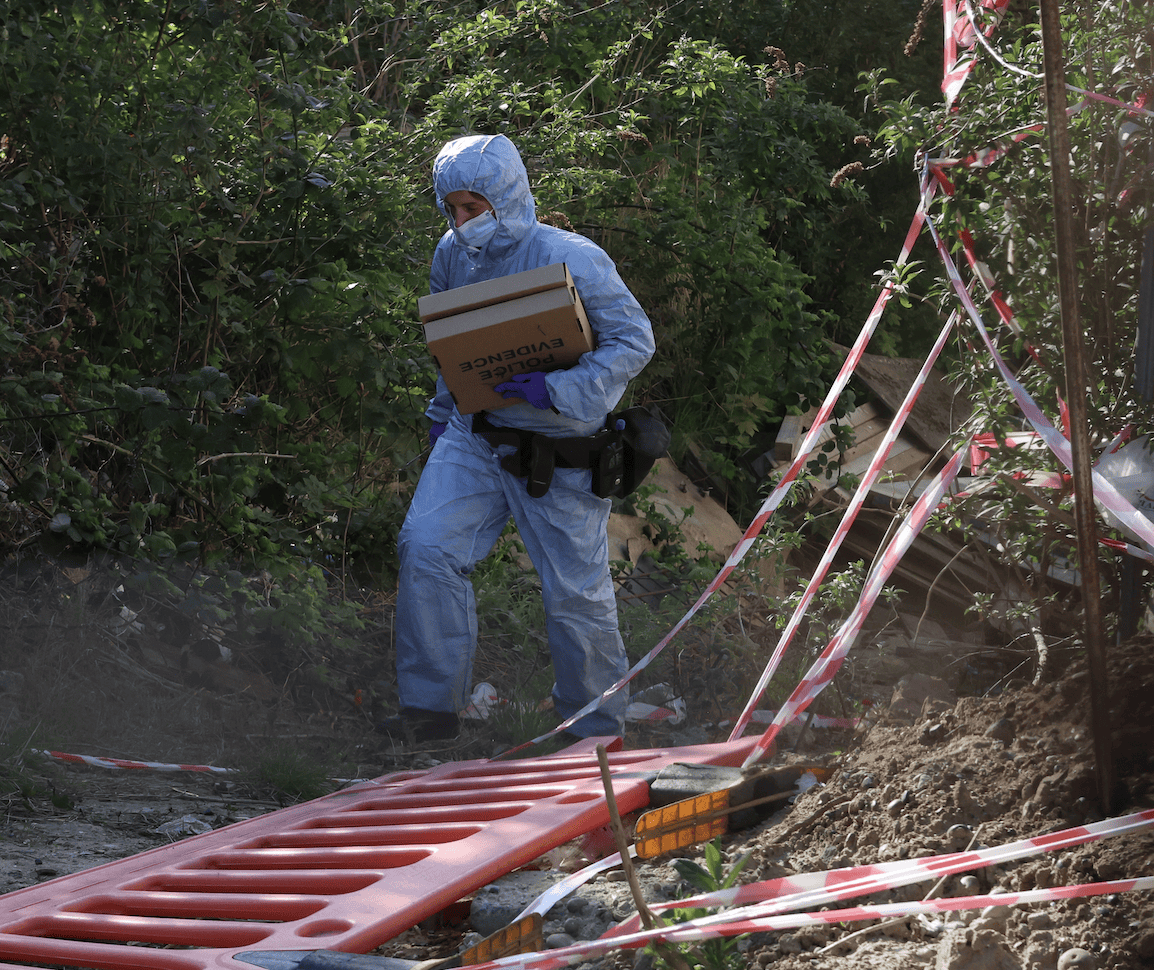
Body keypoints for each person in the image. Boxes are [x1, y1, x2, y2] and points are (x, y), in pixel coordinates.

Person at [385, 133, 655, 745]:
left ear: (505, 197)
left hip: (558, 446)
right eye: (450, 209)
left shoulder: (573, 258)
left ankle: (594, 726)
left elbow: (633, 340)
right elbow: (451, 343)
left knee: (573, 593)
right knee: (426, 548)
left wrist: (560, 387)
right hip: (476, 433)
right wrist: (441, 412)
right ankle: (430, 710)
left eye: (471, 208)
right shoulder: (452, 255)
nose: (461, 223)